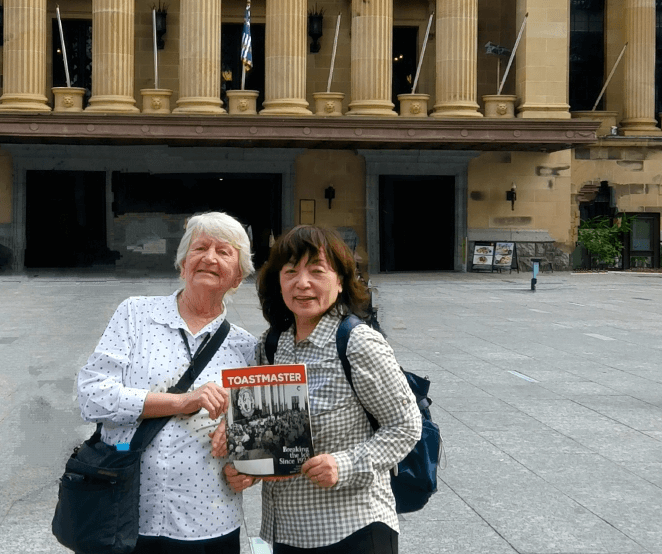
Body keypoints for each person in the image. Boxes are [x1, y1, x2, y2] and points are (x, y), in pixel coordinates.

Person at [219, 225, 421, 554]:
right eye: (291, 272)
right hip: (283, 532)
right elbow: (267, 438)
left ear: (340, 281)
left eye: (317, 271)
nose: (303, 283)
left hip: (351, 529)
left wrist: (344, 465)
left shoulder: (358, 343)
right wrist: (246, 469)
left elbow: (405, 426)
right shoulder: (270, 346)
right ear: (278, 282)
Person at [77, 212, 258, 554]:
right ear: (183, 265)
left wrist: (248, 468)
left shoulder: (245, 347)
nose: (209, 257)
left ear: (237, 277)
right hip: (126, 514)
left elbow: (258, 436)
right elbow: (91, 395)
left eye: (224, 252)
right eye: (200, 248)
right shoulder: (135, 315)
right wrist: (182, 402)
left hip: (210, 520)